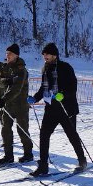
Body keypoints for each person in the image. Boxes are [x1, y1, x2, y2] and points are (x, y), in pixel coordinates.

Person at [28, 43, 87, 177]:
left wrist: (63, 94)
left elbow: (73, 87)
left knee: (72, 135)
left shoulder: (65, 67)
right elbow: (43, 89)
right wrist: (35, 98)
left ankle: (82, 160)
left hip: (66, 108)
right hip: (51, 109)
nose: (45, 56)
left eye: (47, 54)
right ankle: (43, 165)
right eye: (43, 54)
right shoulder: (45, 69)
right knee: (44, 135)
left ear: (54, 55)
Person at [0, 43, 34, 164]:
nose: (7, 56)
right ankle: (8, 156)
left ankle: (28, 153)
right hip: (8, 106)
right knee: (5, 129)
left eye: (10, 54)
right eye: (6, 54)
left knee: (22, 130)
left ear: (16, 55)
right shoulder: (6, 67)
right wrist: (7, 81)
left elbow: (16, 89)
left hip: (21, 105)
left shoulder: (22, 70)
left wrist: (3, 99)